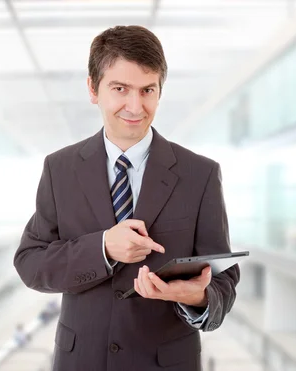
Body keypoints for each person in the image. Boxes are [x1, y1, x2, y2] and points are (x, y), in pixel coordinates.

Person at [14, 25, 240, 371]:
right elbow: (31, 262)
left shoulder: (200, 174)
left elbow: (224, 278)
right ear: (93, 88)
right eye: (120, 89)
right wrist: (102, 248)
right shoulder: (60, 169)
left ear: (160, 91)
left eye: (147, 90)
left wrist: (196, 297)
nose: (135, 106)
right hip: (81, 361)